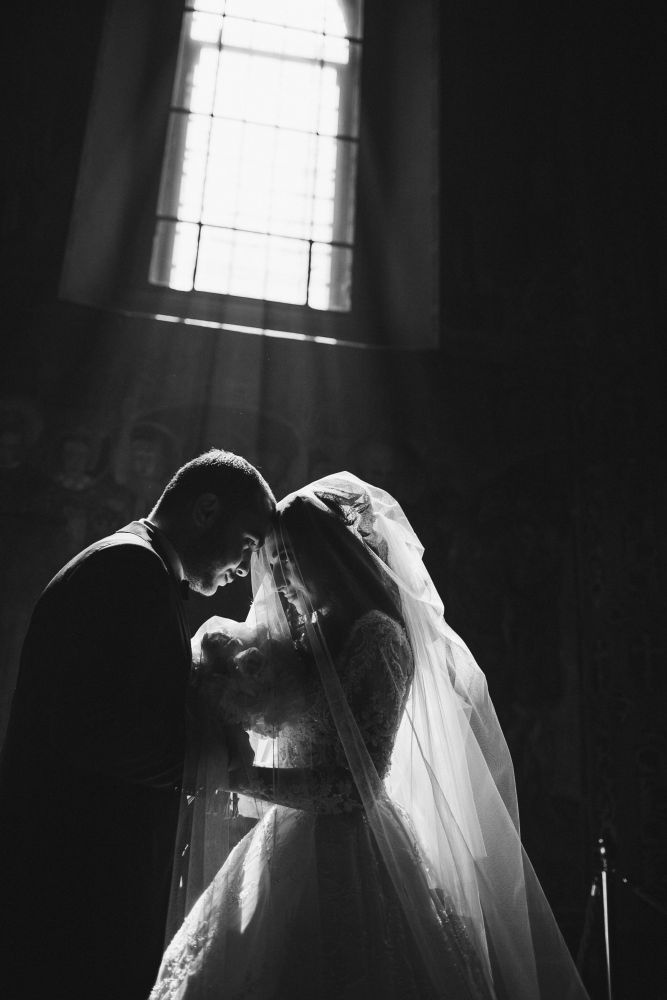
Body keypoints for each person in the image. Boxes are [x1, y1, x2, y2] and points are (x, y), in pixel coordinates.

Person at [151, 474, 590, 1000]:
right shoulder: (307, 636)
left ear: (326, 553)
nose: (277, 577)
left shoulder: (378, 637)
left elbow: (356, 786)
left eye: (288, 559)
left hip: (350, 851)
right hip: (284, 840)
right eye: (273, 560)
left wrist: (243, 778)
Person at [0, 449, 275, 1000]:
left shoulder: (139, 566)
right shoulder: (128, 569)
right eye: (247, 544)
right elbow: (84, 730)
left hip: (79, 870)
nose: (246, 568)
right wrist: (208, 759)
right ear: (206, 510)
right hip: (72, 875)